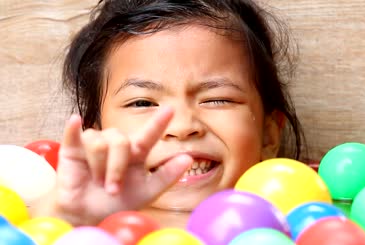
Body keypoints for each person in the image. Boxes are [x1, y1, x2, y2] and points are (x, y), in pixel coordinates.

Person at [31, 0, 306, 228]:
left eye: (216, 99)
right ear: (98, 138)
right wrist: (66, 217)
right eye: (142, 103)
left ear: (269, 135)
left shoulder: (300, 223)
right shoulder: (81, 230)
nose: (182, 126)